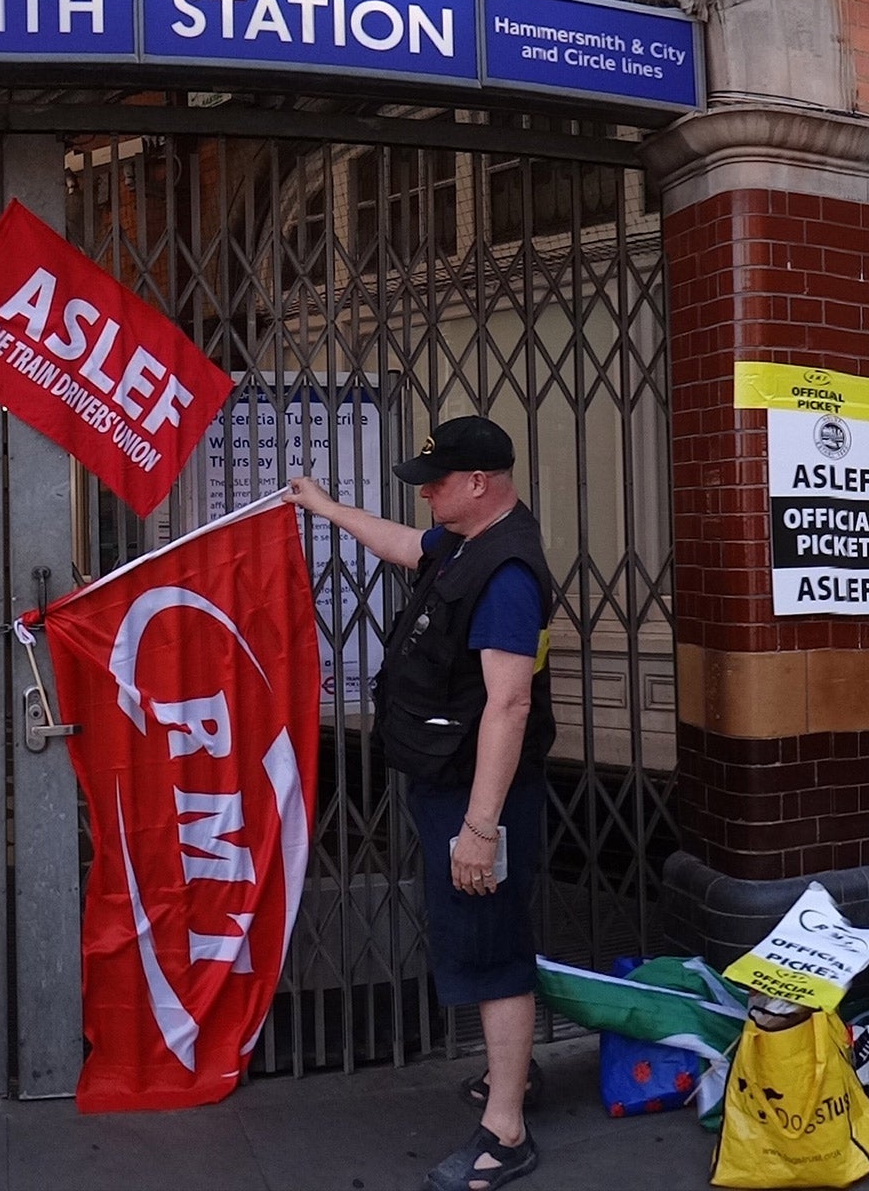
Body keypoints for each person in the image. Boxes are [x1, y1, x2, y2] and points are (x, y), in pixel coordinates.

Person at [289, 417, 553, 1191]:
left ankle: (505, 1132)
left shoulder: (506, 573)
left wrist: (479, 828)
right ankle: (516, 1076)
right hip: (446, 781)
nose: (425, 492)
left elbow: (507, 707)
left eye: (435, 481)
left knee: (489, 945)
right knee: (476, 932)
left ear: (479, 483)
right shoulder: (465, 544)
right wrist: (327, 508)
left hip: (479, 797)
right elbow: (403, 545)